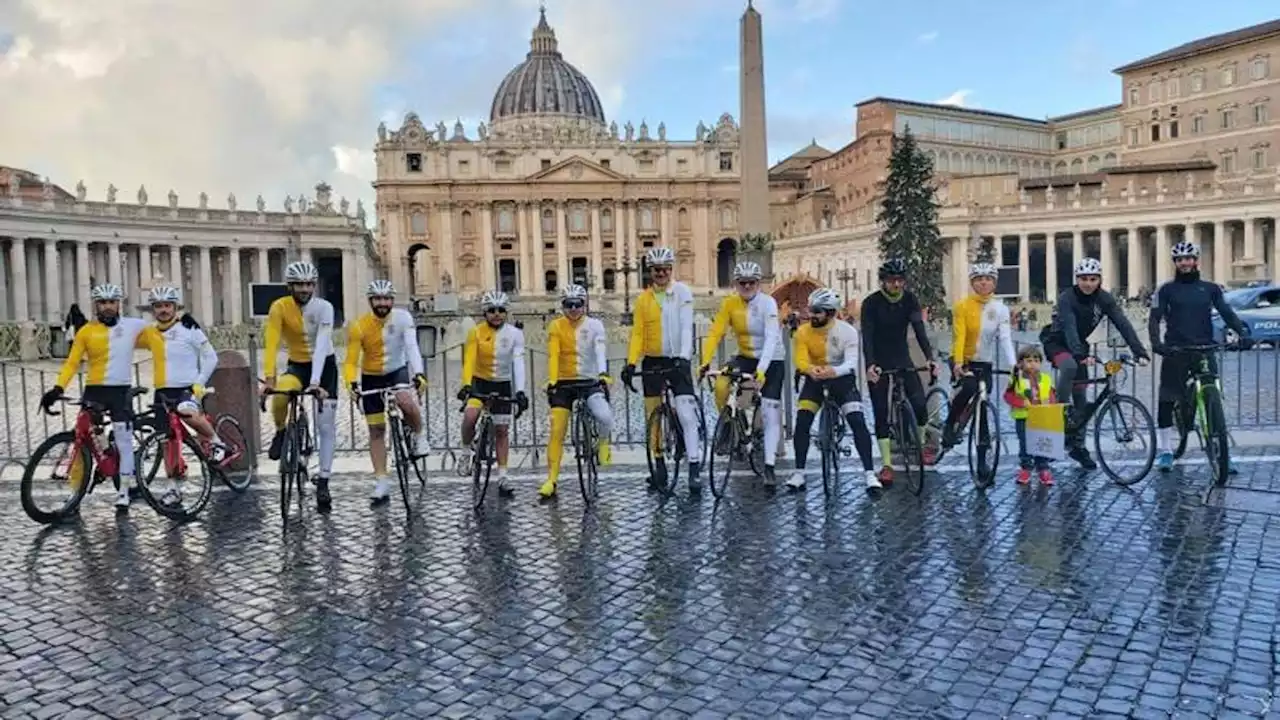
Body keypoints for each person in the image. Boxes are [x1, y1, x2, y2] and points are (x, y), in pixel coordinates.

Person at [40, 283, 163, 510]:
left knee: (124, 442)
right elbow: (72, 362)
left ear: (119, 304)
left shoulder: (134, 325)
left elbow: (161, 335)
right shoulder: (86, 331)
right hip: (94, 389)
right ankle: (76, 490)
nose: (107, 307)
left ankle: (124, 491)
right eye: (103, 303)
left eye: (112, 302)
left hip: (119, 390)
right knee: (82, 436)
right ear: (96, 305)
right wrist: (57, 389)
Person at [1039, 257, 1149, 471]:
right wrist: (1079, 354)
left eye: (1092, 279)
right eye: (1083, 279)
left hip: (1080, 347)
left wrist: (1139, 351)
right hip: (1057, 343)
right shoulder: (1066, 298)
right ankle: (1060, 410)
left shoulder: (1104, 299)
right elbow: (1069, 327)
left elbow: (1122, 323)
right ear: (1076, 280)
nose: (1088, 283)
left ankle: (1077, 446)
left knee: (1082, 400)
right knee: (1069, 367)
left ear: (1099, 280)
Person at [1148, 241, 1246, 472]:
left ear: (1196, 260)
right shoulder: (1166, 290)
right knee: (1167, 398)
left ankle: (1222, 453)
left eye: (1189, 258)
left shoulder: (1211, 289)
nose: (1185, 263)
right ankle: (1165, 451)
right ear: (1175, 263)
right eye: (1180, 260)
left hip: (1204, 348)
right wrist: (1156, 344)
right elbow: (1154, 318)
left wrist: (1242, 332)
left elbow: (1226, 312)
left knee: (1213, 400)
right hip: (1176, 350)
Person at [621, 247, 704, 493]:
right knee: (653, 417)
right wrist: (631, 362)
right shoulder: (643, 299)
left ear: (671, 270)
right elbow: (637, 333)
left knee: (687, 415)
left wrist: (683, 356)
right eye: (657, 269)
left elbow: (687, 328)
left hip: (678, 360)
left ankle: (694, 466)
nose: (661, 273)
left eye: (665, 269)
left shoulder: (682, 292)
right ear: (651, 272)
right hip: (653, 361)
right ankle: (658, 464)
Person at [260, 261, 340, 513]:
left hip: (324, 367)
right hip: (297, 365)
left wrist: (316, 383)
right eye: (299, 284)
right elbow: (271, 343)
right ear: (290, 286)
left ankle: (324, 480)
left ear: (314, 285)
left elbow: (322, 343)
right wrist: (269, 378)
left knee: (325, 425)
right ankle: (282, 432)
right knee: (281, 396)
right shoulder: (279, 307)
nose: (304, 289)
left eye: (308, 284)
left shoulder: (324, 307)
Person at [344, 280, 430, 506]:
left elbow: (412, 347)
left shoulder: (403, 318)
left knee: (405, 400)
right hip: (371, 375)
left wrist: (419, 373)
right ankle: (381, 480)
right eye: (378, 299)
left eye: (386, 299)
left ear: (392, 300)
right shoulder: (359, 325)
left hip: (397, 370)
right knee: (376, 430)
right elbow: (351, 360)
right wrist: (351, 384)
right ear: (371, 301)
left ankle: (419, 435)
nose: (382, 303)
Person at [699, 260, 784, 486]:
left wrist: (762, 371)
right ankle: (730, 425)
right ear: (736, 284)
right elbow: (715, 332)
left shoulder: (768, 304)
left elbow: (771, 338)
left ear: (758, 283)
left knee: (769, 410)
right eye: (742, 283)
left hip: (772, 359)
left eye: (751, 283)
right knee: (721, 386)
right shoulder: (729, 304)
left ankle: (769, 466)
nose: (747, 286)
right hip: (745, 356)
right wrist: (705, 361)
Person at [789, 287, 880, 491]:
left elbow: (851, 362)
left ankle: (869, 473)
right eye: (810, 310)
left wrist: (833, 371)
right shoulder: (802, 332)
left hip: (842, 379)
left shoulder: (847, 331)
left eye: (817, 311)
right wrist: (811, 370)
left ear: (830, 313)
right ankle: (799, 472)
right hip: (814, 378)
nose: (811, 315)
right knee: (803, 420)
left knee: (857, 420)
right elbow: (800, 360)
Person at [145, 285, 224, 505]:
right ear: (153, 309)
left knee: (186, 412)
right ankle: (174, 487)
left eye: (167, 305)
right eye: (158, 306)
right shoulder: (150, 332)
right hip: (162, 391)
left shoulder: (190, 329)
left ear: (175, 307)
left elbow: (211, 358)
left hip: (187, 388)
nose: (163, 310)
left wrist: (199, 383)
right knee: (167, 442)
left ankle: (216, 442)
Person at [862, 258, 937, 485]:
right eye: (891, 281)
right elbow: (867, 338)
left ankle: (921, 445)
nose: (896, 285)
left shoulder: (910, 300)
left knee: (920, 405)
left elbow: (919, 330)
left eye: (900, 281)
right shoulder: (871, 303)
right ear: (883, 281)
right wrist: (870, 365)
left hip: (902, 357)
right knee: (881, 411)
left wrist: (930, 358)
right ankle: (886, 465)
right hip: (879, 359)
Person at [539, 284, 613, 499]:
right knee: (556, 431)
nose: (573, 309)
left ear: (584, 305)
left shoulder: (595, 325)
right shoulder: (555, 326)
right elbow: (553, 355)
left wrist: (603, 373)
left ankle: (603, 443)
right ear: (562, 306)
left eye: (577, 304)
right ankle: (551, 479)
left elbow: (600, 350)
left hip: (589, 381)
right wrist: (552, 380)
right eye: (568, 305)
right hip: (563, 383)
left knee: (605, 416)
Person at [457, 289, 528, 495]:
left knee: (501, 431)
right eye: (491, 310)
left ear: (506, 312)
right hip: (479, 383)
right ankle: (465, 451)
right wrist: (466, 384)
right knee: (470, 416)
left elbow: (518, 363)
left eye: (501, 310)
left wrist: (521, 391)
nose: (496, 314)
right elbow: (469, 359)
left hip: (502, 383)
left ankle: (503, 475)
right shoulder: (475, 332)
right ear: (484, 312)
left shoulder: (515, 334)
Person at [940, 263, 1016, 452]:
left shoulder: (1000, 308)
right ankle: (950, 424)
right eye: (979, 279)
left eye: (988, 279)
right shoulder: (962, 306)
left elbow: (1005, 338)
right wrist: (958, 363)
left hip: (985, 362)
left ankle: (982, 451)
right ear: (972, 283)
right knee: (970, 387)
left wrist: (1014, 364)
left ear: (994, 283)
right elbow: (960, 336)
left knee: (983, 403)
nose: (984, 283)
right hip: (963, 358)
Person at [1003, 345, 1057, 486]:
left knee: (1042, 444)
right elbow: (1008, 395)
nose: (1032, 363)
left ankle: (1043, 468)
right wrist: (1021, 402)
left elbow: (1051, 395)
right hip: (1023, 417)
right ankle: (1026, 468)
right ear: (1021, 363)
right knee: (1025, 444)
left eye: (1035, 360)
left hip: (1041, 417)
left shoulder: (1045, 378)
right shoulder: (1017, 379)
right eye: (1028, 360)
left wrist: (1050, 405)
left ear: (1040, 363)